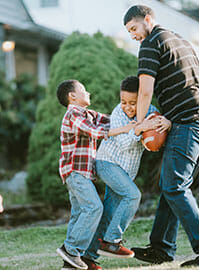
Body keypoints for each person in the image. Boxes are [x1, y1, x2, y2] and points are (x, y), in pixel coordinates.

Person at [123, 5, 199, 267]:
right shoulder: (179, 39)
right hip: (196, 120)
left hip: (188, 123)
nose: (133, 35)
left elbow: (145, 91)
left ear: (148, 20)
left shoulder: (151, 43)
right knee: (170, 184)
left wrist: (139, 125)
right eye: (129, 32)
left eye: (134, 28)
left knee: (174, 185)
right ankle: (161, 248)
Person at [62, 76, 165, 270]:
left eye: (133, 103)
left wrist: (163, 122)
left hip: (120, 172)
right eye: (124, 102)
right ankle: (110, 242)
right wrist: (138, 128)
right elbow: (120, 140)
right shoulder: (111, 113)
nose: (127, 107)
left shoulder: (149, 111)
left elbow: (158, 124)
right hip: (104, 165)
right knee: (130, 196)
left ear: (143, 99)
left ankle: (85, 259)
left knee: (105, 213)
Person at [56, 79, 135, 270]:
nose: (88, 92)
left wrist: (134, 117)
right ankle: (71, 249)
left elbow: (111, 120)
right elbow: (94, 132)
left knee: (79, 213)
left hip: (82, 173)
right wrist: (127, 129)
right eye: (84, 90)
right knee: (93, 208)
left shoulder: (87, 114)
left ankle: (71, 264)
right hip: (75, 171)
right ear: (72, 96)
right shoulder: (73, 114)